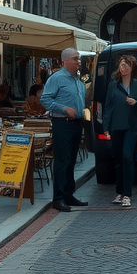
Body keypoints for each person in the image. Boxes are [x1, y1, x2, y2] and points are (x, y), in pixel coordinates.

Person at [41, 47, 90, 212]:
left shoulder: (77, 80)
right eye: (75, 58)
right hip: (62, 123)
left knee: (71, 161)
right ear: (66, 61)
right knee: (62, 161)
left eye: (78, 59)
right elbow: (45, 99)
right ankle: (58, 198)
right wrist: (64, 108)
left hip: (76, 124)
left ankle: (69, 193)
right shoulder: (57, 78)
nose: (78, 62)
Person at [101, 53, 137, 208]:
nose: (122, 67)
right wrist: (106, 127)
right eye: (121, 64)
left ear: (131, 68)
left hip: (132, 127)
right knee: (117, 159)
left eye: (126, 65)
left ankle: (127, 194)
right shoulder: (113, 85)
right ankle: (120, 191)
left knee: (127, 156)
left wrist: (136, 102)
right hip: (116, 126)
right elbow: (108, 107)